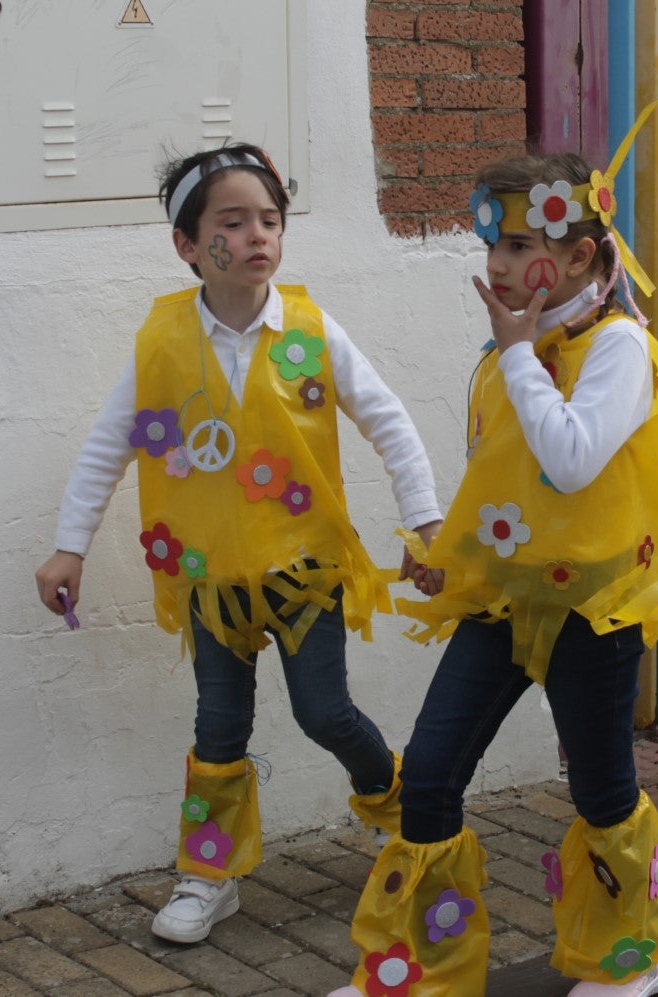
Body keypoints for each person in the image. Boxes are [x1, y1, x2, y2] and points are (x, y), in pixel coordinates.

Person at [33, 143, 442, 944]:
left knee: (325, 712)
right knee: (219, 725)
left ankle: (403, 812)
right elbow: (109, 443)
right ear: (188, 244)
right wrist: (69, 546)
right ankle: (207, 872)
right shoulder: (162, 344)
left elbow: (389, 422)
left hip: (304, 569)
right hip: (210, 576)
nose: (258, 234)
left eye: (270, 219)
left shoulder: (311, 331)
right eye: (233, 221)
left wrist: (425, 523)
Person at [333, 109, 658, 997]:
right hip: (502, 602)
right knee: (429, 773)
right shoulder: (512, 351)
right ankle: (416, 971)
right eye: (491, 239)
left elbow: (569, 461)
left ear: (579, 255)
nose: (496, 260)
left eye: (520, 243)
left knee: (601, 790)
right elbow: (503, 484)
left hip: (591, 613)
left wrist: (518, 354)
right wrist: (450, 558)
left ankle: (639, 955)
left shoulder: (616, 347)